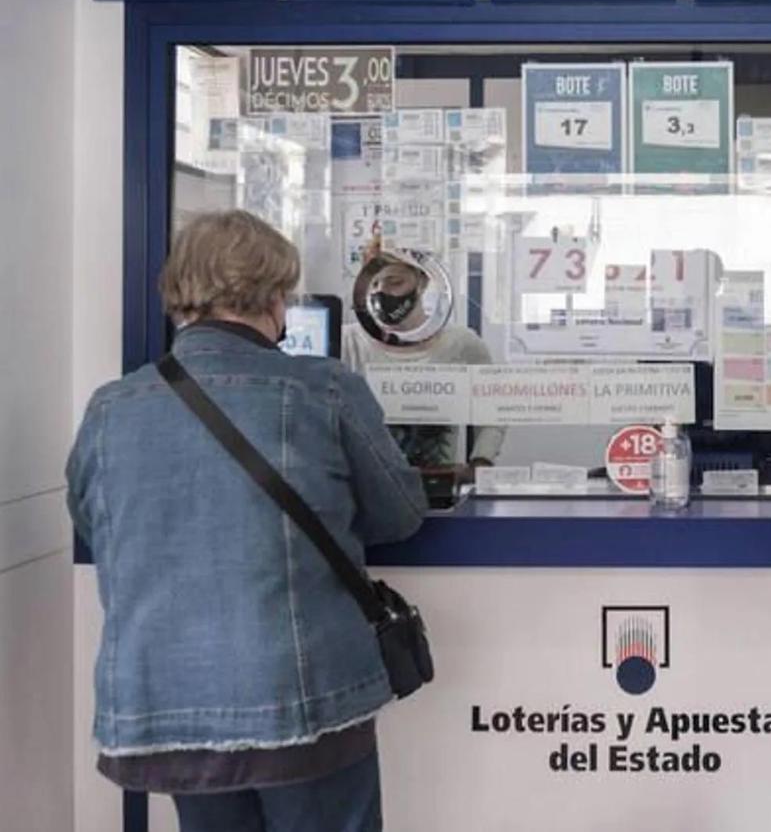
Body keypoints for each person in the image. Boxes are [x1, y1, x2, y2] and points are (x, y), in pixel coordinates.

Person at [67, 210, 428, 832]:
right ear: (274, 297)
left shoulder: (111, 408)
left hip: (172, 699)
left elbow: (93, 523)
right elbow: (399, 514)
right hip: (302, 696)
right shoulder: (323, 389)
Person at [342, 249, 504, 476]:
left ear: (423, 282)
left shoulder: (461, 343)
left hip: (438, 483)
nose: (381, 293)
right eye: (374, 284)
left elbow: (493, 412)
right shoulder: (346, 342)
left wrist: (480, 463)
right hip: (366, 486)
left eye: (394, 282)